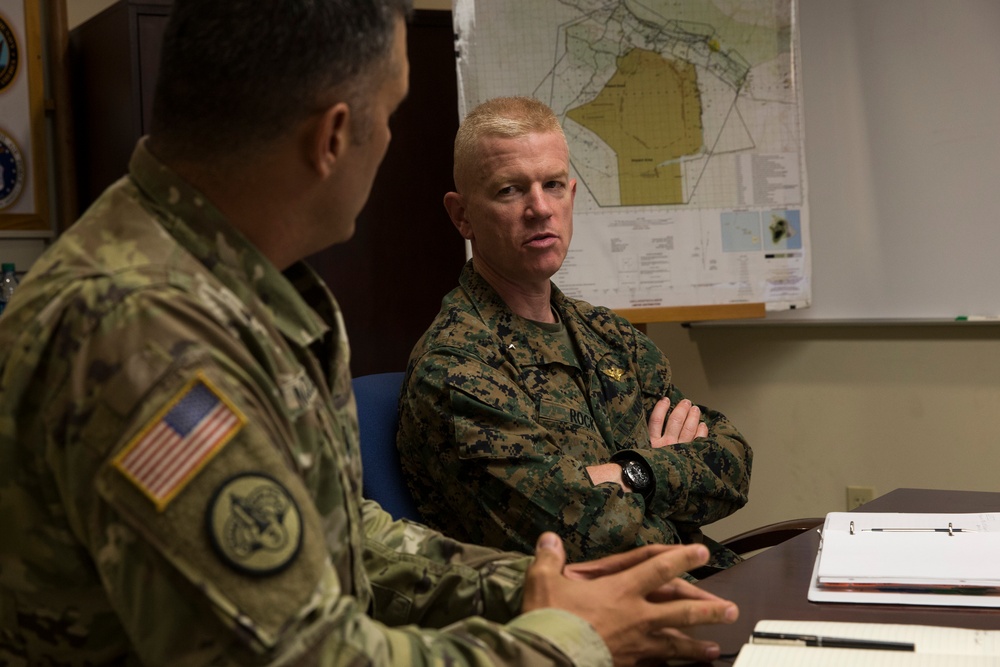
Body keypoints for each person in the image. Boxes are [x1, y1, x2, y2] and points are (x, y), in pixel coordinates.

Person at [0, 2, 740, 665]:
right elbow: (299, 653)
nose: (390, 139)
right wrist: (568, 639)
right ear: (335, 136)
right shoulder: (145, 334)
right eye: (390, 114)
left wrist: (534, 587)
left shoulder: (229, 283)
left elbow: (337, 534)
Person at [396, 97, 753, 574]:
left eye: (553, 185)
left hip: (704, 582)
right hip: (604, 624)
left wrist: (635, 474)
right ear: (462, 216)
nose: (540, 208)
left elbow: (732, 461)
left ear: (572, 195)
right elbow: (580, 536)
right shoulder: (457, 369)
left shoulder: (607, 334)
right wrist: (666, 476)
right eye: (509, 190)